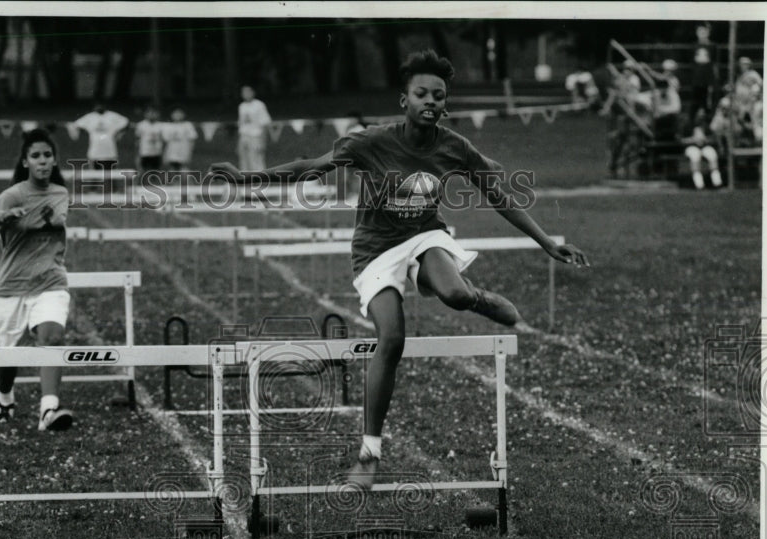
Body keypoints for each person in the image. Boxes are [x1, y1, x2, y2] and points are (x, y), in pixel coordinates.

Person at [212, 49, 588, 488]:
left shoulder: (453, 146)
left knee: (457, 295)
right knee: (391, 337)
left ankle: (480, 298)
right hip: (375, 249)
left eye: (439, 95)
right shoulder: (370, 142)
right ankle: (369, 454)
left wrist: (548, 244)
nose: (431, 101)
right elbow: (309, 168)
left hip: (426, 235)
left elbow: (500, 197)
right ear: (403, 101)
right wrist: (245, 179)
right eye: (421, 93)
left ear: (445, 104)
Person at [0, 128, 74, 432]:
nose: (43, 161)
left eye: (47, 155)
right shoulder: (13, 194)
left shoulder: (60, 193)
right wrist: (5, 217)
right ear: (26, 161)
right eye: (36, 156)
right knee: (8, 355)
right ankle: (5, 398)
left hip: (50, 281)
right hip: (12, 285)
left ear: (54, 160)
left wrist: (41, 219)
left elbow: (56, 220)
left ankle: (48, 410)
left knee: (52, 338)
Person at [682, 109, 723, 189]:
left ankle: (717, 182)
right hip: (691, 147)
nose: (701, 117)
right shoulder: (688, 126)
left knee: (712, 154)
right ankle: (699, 184)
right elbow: (682, 140)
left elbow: (713, 139)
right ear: (695, 115)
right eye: (699, 115)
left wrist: (704, 139)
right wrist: (693, 139)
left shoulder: (706, 126)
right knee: (695, 155)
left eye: (702, 115)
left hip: (704, 146)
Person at [237, 85, 272, 170]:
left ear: (253, 93)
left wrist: (263, 141)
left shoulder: (259, 105)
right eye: (244, 92)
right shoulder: (241, 106)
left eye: (248, 92)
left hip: (255, 137)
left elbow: (265, 123)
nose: (246, 94)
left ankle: (260, 180)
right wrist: (239, 142)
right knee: (243, 160)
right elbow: (241, 125)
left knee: (256, 160)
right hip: (244, 137)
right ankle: (245, 180)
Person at [688, 23, 717, 122]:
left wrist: (713, 80)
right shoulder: (694, 46)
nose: (702, 34)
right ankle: (691, 127)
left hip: (708, 80)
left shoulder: (712, 46)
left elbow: (715, 63)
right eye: (700, 32)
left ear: (708, 33)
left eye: (704, 32)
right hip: (696, 80)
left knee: (707, 104)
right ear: (697, 33)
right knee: (694, 103)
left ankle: (708, 127)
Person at [162, 107, 198, 173]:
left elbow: (192, 139)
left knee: (184, 168)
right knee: (172, 167)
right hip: (172, 150)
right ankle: (173, 182)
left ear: (183, 115)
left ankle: (184, 182)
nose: (177, 115)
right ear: (172, 115)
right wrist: (165, 154)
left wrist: (190, 152)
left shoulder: (188, 125)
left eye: (179, 113)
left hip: (184, 150)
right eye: (175, 113)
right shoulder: (168, 126)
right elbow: (166, 141)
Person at [134, 106, 165, 179]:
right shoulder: (141, 125)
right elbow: (137, 139)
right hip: (145, 152)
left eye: (154, 113)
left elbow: (163, 139)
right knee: (142, 172)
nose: (151, 115)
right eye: (149, 113)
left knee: (156, 173)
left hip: (157, 152)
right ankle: (139, 187)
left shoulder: (161, 125)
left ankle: (155, 187)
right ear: (145, 114)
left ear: (158, 114)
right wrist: (137, 154)